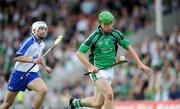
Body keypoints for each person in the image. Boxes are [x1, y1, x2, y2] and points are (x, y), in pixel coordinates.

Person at [69, 10, 151, 109]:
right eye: (107, 24)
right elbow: (79, 54)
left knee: (97, 103)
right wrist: (91, 66)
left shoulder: (115, 34)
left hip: (109, 70)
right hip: (97, 71)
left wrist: (139, 63)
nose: (110, 26)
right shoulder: (94, 37)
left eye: (111, 23)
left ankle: (75, 103)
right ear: (101, 24)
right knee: (109, 95)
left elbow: (128, 47)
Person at [0, 21, 53, 109]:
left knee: (43, 90)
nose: (43, 31)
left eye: (45, 29)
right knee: (7, 103)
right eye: (40, 29)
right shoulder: (29, 42)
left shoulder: (42, 44)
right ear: (34, 30)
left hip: (31, 74)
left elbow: (38, 58)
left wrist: (45, 67)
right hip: (19, 74)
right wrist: (33, 60)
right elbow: (17, 57)